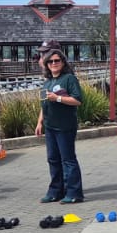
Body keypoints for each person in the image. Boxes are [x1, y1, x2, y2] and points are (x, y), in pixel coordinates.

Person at [35, 49, 85, 203]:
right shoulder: (47, 82)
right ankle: (56, 191)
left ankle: (74, 193)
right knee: (53, 159)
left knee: (68, 160)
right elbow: (43, 104)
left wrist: (58, 98)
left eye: (57, 61)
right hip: (50, 126)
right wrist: (39, 122)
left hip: (65, 126)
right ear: (46, 65)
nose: (54, 64)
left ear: (63, 63)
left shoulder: (69, 79)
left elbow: (77, 100)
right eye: (50, 61)